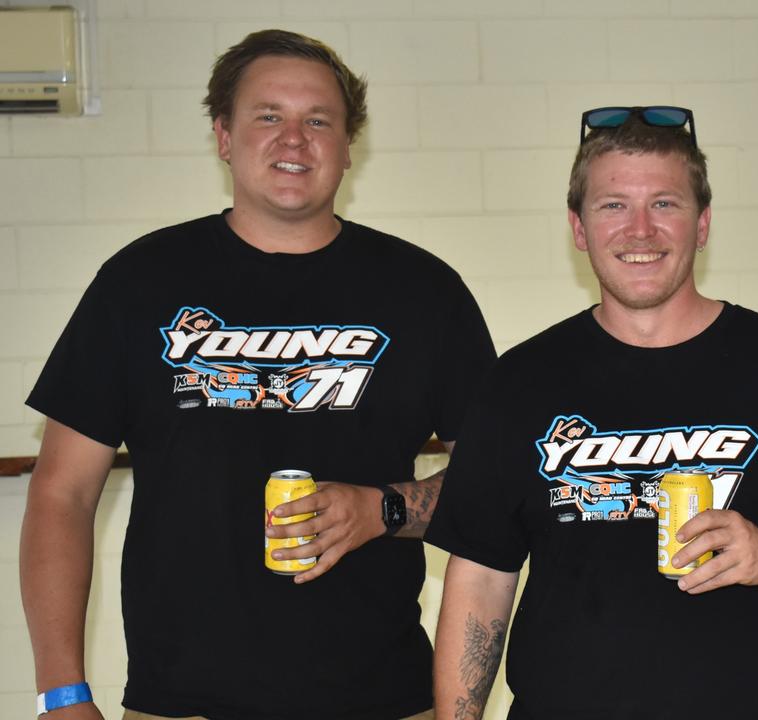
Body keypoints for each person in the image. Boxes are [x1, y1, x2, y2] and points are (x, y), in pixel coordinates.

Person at [20, 30, 495, 720]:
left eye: (318, 120)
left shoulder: (425, 293)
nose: (294, 140)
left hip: (387, 699)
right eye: (268, 116)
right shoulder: (139, 283)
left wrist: (382, 509)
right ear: (223, 135)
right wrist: (61, 694)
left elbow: (497, 488)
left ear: (347, 144)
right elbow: (60, 495)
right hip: (180, 703)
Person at [425, 106, 758, 720]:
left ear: (702, 224)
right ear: (578, 227)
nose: (640, 230)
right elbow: (480, 579)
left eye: (665, 204)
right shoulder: (519, 381)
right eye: (613, 205)